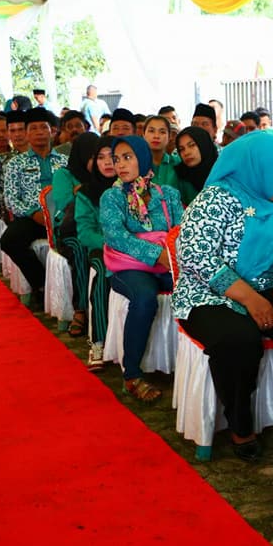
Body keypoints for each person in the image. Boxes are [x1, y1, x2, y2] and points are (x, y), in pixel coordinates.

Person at [173, 130, 273, 461]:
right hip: (210, 293)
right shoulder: (214, 200)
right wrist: (250, 299)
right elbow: (195, 256)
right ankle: (240, 423)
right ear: (260, 169)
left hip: (270, 285)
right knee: (237, 339)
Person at [100, 136, 183, 401]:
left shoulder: (167, 194)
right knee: (145, 298)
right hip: (128, 266)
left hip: (166, 262)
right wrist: (156, 254)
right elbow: (116, 237)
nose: (120, 165)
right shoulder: (112, 196)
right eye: (117, 159)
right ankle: (132, 375)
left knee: (196, 289)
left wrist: (171, 255)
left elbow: (180, 229)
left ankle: (189, 362)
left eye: (128, 157)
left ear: (143, 158)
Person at [0, 108, 68, 301]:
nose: (39, 132)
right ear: (27, 134)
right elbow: (11, 198)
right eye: (34, 128)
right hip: (32, 218)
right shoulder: (15, 163)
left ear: (52, 131)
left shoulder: (65, 161)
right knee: (9, 241)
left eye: (43, 128)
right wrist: (33, 213)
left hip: (63, 216)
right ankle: (41, 284)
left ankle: (73, 291)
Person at [51, 132, 100, 337]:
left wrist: (83, 190)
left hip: (96, 228)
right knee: (80, 250)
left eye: (98, 156)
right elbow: (64, 204)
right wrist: (84, 191)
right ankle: (80, 309)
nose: (96, 162)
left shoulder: (104, 175)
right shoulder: (64, 174)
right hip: (70, 230)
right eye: (91, 157)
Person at [75, 135, 117, 369]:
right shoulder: (86, 192)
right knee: (102, 272)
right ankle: (98, 342)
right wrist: (112, 243)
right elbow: (85, 232)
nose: (107, 162)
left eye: (113, 157)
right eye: (101, 157)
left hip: (135, 249)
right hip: (103, 249)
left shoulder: (135, 188)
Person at [173, 126, 219, 206]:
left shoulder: (221, 173)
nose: (186, 153)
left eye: (192, 145)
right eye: (181, 149)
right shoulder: (180, 176)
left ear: (203, 144)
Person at [142, 115, 178, 188]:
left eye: (162, 132)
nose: (156, 136)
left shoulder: (178, 164)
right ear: (143, 135)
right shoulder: (136, 164)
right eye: (151, 131)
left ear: (169, 136)